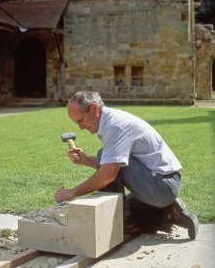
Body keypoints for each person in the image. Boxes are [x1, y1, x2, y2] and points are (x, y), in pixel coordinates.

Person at [55, 91, 199, 239]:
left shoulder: (115, 126)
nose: (80, 127)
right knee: (125, 206)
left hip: (162, 185)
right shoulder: (110, 121)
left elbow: (108, 174)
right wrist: (85, 160)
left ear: (93, 108)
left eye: (81, 120)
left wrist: (71, 193)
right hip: (160, 183)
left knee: (115, 209)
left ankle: (124, 224)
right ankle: (170, 212)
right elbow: (112, 167)